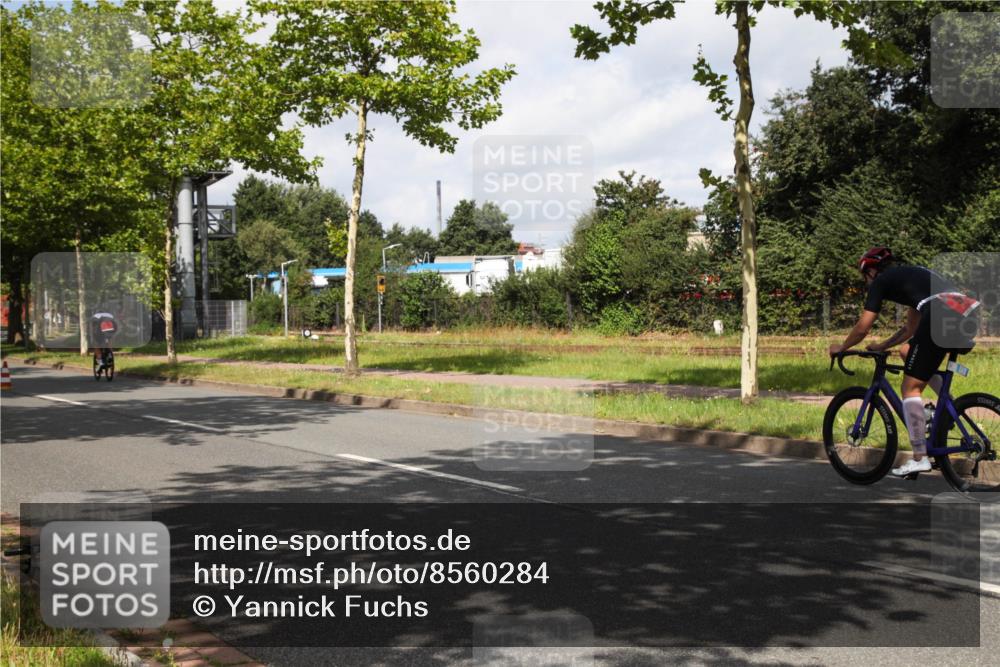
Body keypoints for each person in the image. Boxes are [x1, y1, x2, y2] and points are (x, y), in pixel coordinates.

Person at [828, 247, 980, 477]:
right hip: (966, 312)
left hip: (940, 314)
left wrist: (842, 347)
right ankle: (947, 410)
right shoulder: (912, 277)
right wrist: (881, 347)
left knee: (909, 388)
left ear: (870, 271)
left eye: (864, 276)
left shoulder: (881, 282)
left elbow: (863, 328)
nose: (866, 281)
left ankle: (920, 458)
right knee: (908, 352)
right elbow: (911, 329)